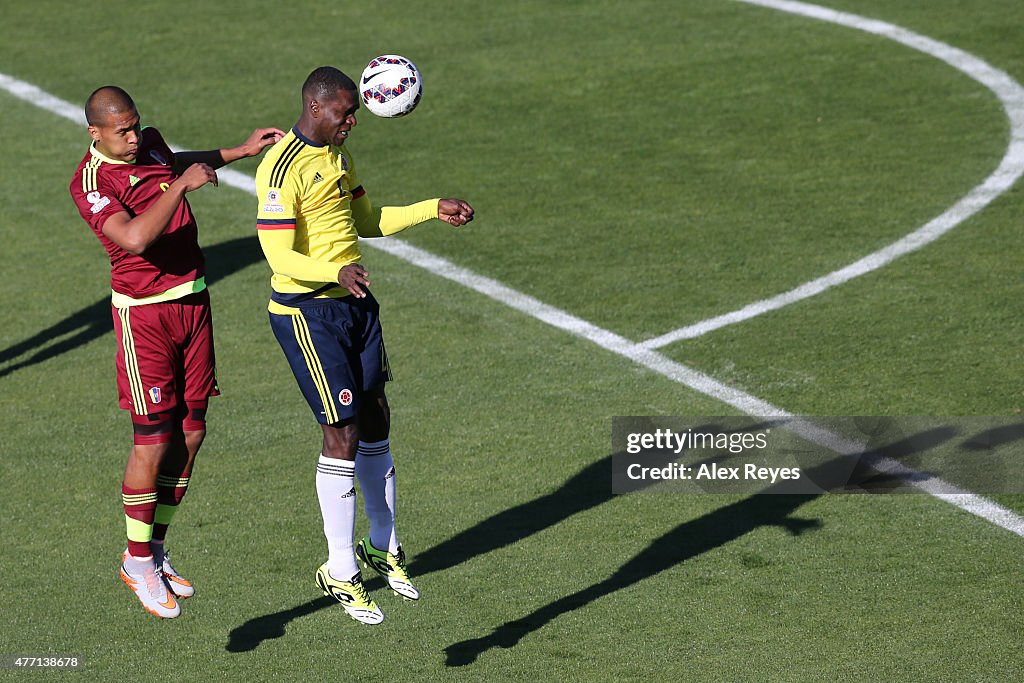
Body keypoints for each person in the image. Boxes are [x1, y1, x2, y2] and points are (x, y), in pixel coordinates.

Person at [254, 66, 474, 625]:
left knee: (376, 417)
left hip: (353, 303)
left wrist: (431, 207)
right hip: (308, 313)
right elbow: (280, 259)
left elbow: (366, 220)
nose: (354, 120)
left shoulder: (341, 157)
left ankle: (383, 546)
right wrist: (336, 271)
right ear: (314, 105)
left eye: (354, 112)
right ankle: (340, 569)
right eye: (345, 112)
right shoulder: (280, 172)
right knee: (342, 430)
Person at [69, 85, 283, 619]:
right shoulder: (91, 183)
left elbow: (176, 161)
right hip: (144, 317)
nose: (134, 137)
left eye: (136, 125)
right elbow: (136, 238)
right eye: (121, 131)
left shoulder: (151, 147)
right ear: (95, 132)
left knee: (192, 431)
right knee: (153, 438)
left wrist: (237, 151)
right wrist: (181, 188)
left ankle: (154, 549)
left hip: (193, 302)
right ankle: (136, 563)